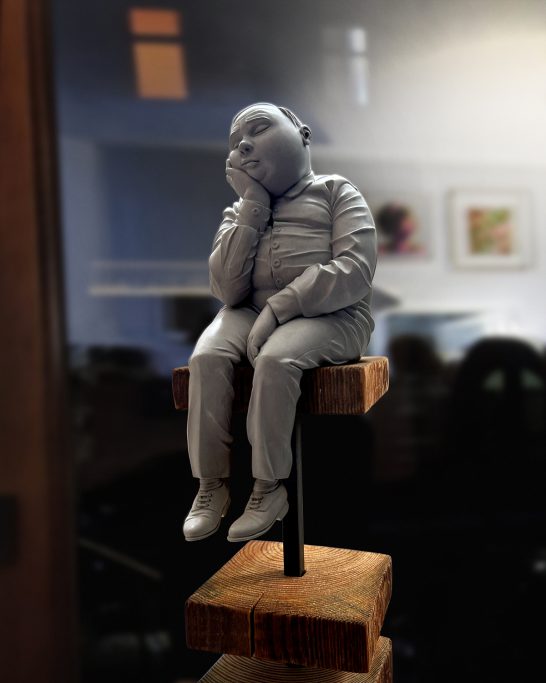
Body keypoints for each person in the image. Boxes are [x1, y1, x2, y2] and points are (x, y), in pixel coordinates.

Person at [183, 102, 377, 542]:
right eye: (236, 142)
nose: (244, 145)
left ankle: (268, 487)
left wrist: (279, 308)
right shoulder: (238, 211)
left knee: (276, 360)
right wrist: (252, 206)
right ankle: (211, 485)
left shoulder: (336, 191)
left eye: (259, 129)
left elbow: (355, 270)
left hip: (334, 314)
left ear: (302, 134)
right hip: (247, 311)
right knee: (207, 358)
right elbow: (227, 291)